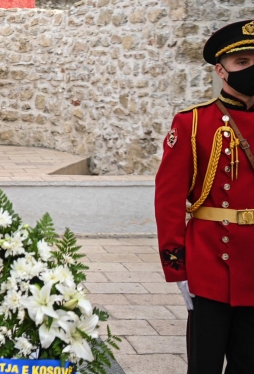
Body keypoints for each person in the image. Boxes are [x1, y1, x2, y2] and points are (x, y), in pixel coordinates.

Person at [155, 19, 254, 374]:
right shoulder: (193, 122)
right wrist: (176, 267)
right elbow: (168, 202)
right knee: (205, 365)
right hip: (211, 262)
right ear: (220, 70)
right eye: (242, 63)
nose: (250, 69)